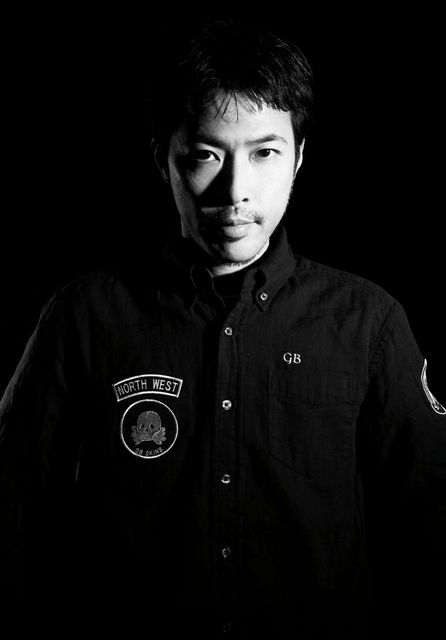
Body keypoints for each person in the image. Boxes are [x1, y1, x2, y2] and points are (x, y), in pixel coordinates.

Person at [1, 18, 445, 639]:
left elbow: (429, 526)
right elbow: (15, 511)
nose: (236, 191)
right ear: (163, 160)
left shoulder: (369, 322)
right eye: (206, 155)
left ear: (299, 158)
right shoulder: (83, 317)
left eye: (265, 153)